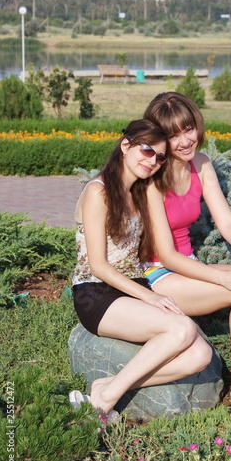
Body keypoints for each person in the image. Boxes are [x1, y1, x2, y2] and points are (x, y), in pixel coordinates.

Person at [142, 93, 231, 413]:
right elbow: (167, 255)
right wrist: (225, 279)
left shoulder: (200, 164)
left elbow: (227, 222)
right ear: (159, 138)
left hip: (186, 265)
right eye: (173, 135)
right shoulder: (151, 179)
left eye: (188, 128)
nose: (186, 140)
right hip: (156, 274)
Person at [70, 119, 212, 420]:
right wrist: (150, 298)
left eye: (160, 157)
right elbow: (98, 265)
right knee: (182, 328)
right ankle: (102, 404)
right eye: (147, 151)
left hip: (131, 288)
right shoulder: (99, 191)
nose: (153, 161)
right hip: (95, 292)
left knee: (201, 355)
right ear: (126, 146)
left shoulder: (140, 192)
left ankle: (108, 387)